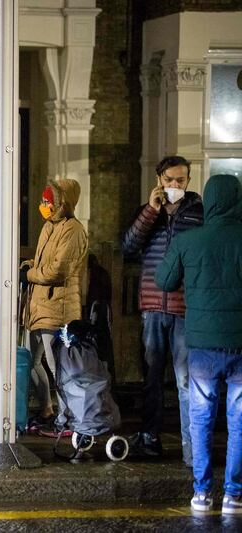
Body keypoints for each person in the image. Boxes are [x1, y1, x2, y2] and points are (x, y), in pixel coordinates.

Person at [155, 173, 242, 515]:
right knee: (238, 420)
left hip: (202, 343)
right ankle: (234, 494)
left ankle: (202, 492)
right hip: (240, 342)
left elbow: (164, 279)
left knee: (201, 416)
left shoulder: (189, 241)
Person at [121, 155, 203, 464]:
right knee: (151, 377)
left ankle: (191, 448)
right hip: (153, 305)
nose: (175, 185)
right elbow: (128, 245)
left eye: (180, 180)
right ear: (159, 180)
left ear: (188, 181)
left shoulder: (198, 212)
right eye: (169, 180)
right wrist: (151, 210)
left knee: (184, 378)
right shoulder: (148, 212)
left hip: (184, 306)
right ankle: (150, 437)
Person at [22, 180, 88, 438]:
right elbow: (43, 262)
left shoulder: (73, 230)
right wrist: (28, 265)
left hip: (58, 308)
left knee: (58, 365)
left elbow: (58, 270)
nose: (44, 205)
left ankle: (68, 417)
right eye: (44, 201)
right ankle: (47, 409)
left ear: (64, 203)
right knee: (30, 361)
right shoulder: (50, 227)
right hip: (39, 306)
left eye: (49, 201)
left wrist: (30, 275)